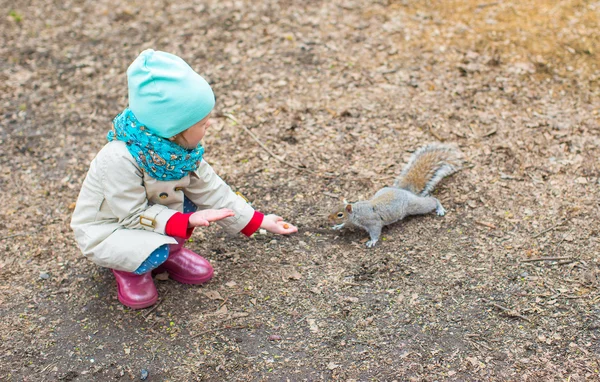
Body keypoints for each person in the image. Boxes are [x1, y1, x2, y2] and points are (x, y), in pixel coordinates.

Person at [71, 49, 297, 309]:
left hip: (153, 220)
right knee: (159, 227)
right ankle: (130, 269)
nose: (208, 126)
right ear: (173, 129)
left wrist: (259, 221)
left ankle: (170, 251)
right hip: (113, 229)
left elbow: (214, 191)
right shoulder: (118, 159)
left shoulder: (180, 154)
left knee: (192, 192)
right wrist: (186, 220)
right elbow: (132, 215)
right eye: (201, 123)